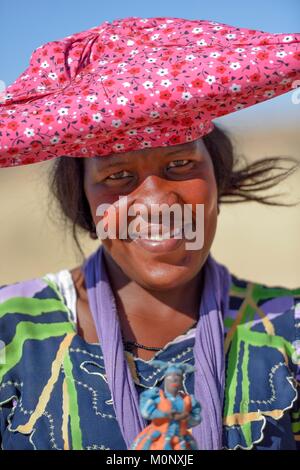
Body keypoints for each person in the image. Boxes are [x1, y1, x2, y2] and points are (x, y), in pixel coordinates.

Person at [0, 16, 300, 451]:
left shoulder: (287, 328)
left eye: (180, 166)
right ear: (83, 198)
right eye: (118, 175)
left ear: (217, 174)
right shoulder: (13, 333)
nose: (157, 202)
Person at [130, 361, 201, 450]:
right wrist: (164, 414)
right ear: (165, 379)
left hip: (180, 442)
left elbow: (196, 419)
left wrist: (186, 417)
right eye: (170, 377)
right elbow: (146, 412)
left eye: (177, 377)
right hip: (157, 439)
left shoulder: (188, 400)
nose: (174, 379)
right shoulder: (157, 397)